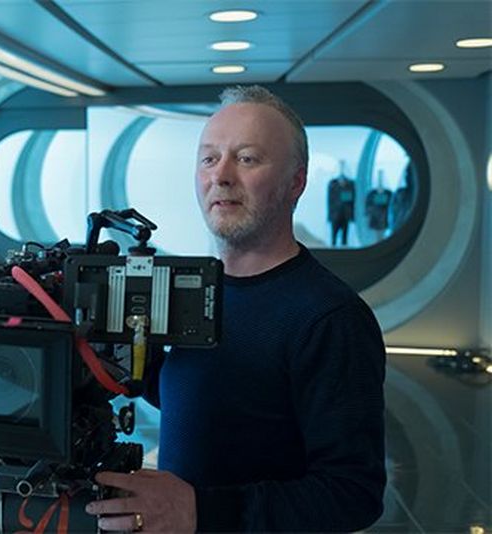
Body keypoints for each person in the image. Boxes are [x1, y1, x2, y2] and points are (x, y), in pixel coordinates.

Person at [85, 85, 386, 532]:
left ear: (295, 183)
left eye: (247, 158)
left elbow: (353, 494)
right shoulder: (198, 290)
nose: (221, 175)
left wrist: (199, 511)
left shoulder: (329, 317)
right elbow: (202, 396)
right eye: (209, 158)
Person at [327, 161, 356, 246]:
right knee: (333, 238)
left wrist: (353, 216)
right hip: (335, 215)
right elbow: (329, 201)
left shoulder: (350, 184)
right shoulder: (333, 184)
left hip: (346, 215)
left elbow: (353, 201)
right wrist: (329, 216)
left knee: (345, 239)